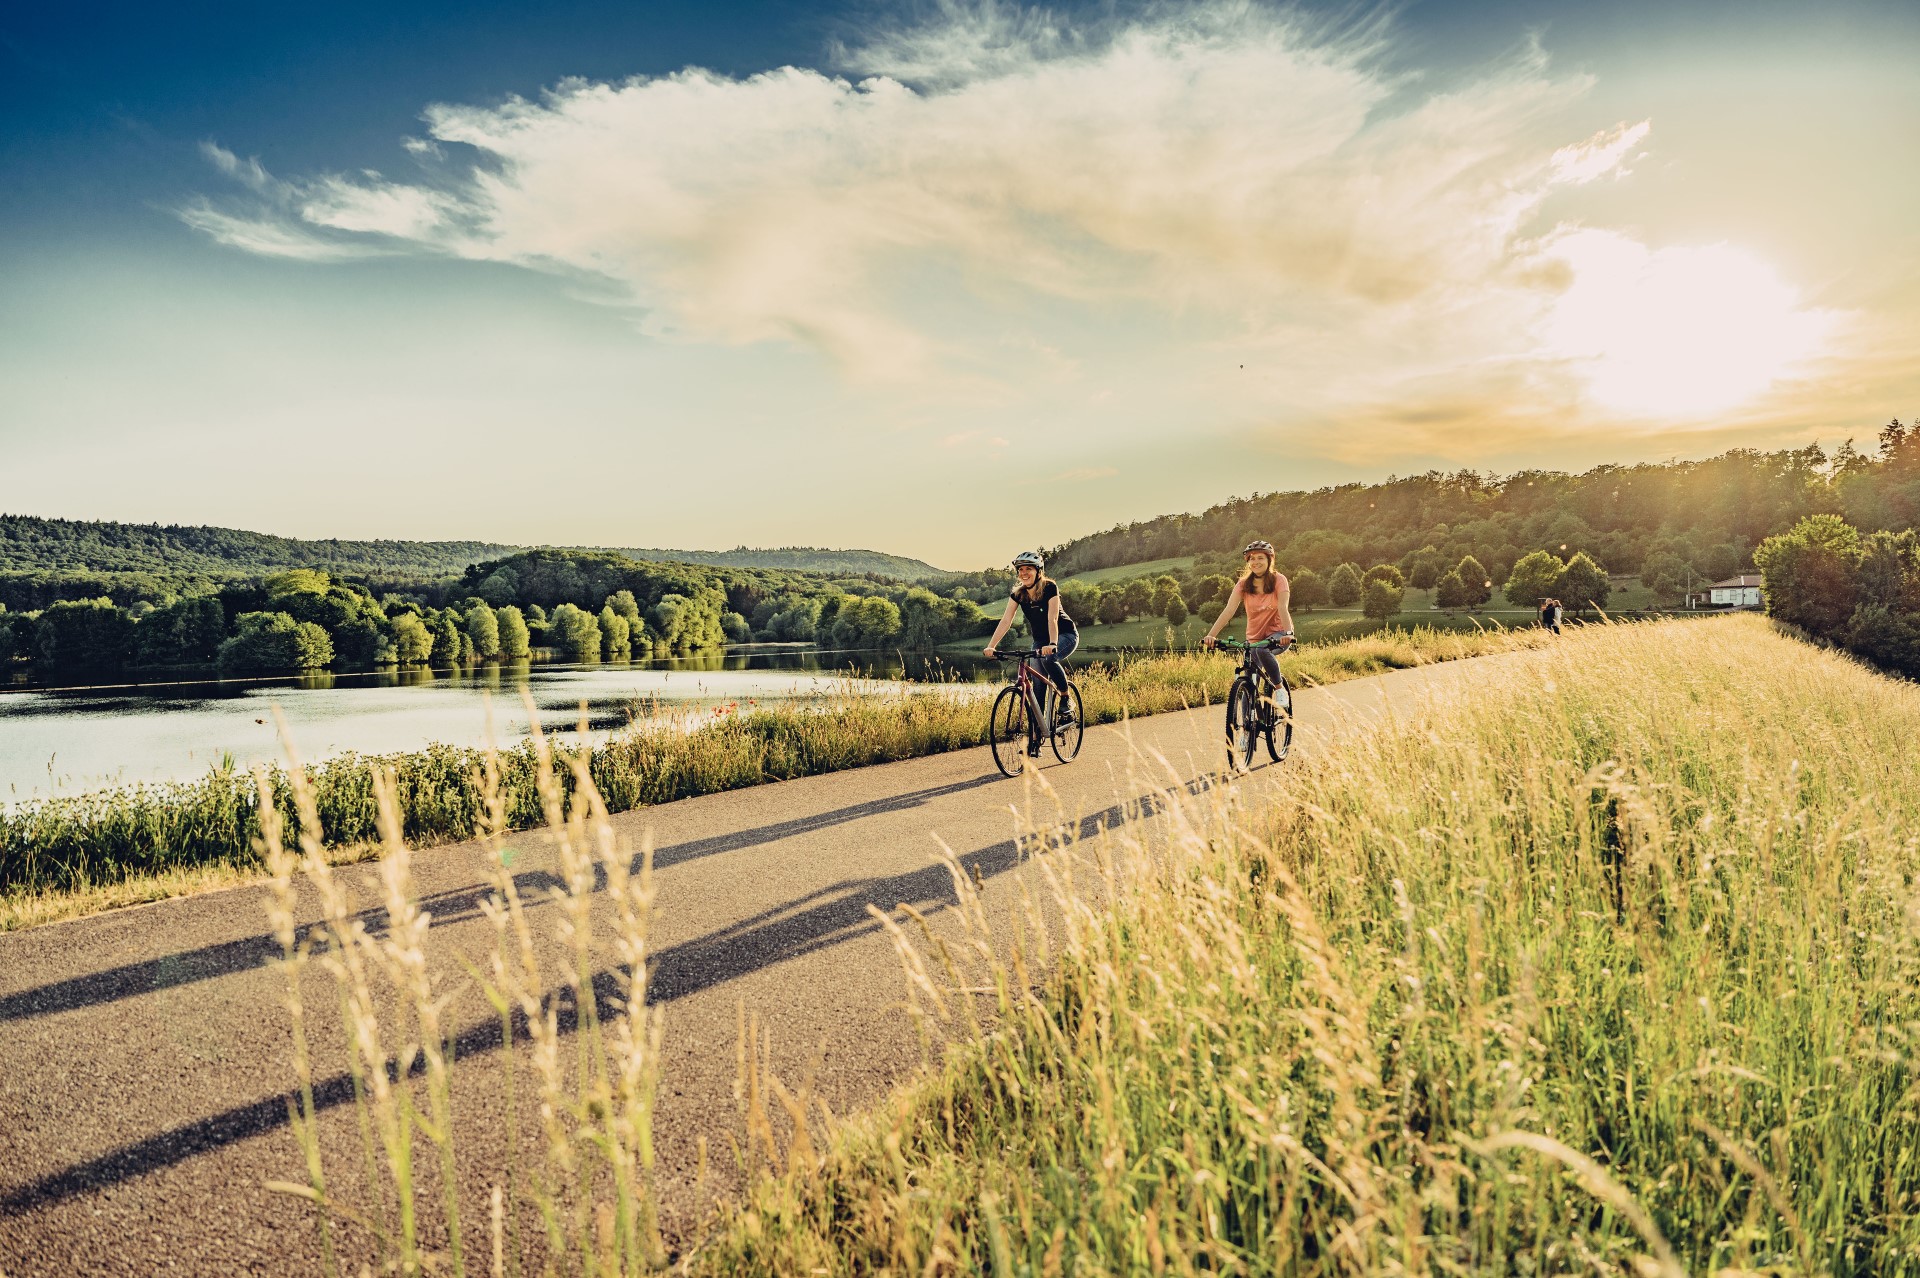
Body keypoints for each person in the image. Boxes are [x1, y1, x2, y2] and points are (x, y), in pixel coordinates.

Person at [983, 550, 1080, 756]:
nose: (1024, 573)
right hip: (1039, 641)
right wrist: (991, 646)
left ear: (1038, 571)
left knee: (1048, 659)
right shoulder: (1018, 594)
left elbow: (1052, 619)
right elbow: (1006, 620)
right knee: (1036, 687)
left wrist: (1053, 643)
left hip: (1064, 635)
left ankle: (1065, 697)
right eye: (1021, 570)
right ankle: (1035, 739)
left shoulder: (1049, 587)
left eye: (1028, 569)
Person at [1201, 541, 1295, 692]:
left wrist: (1288, 634)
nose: (1255, 562)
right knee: (1249, 681)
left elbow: (1282, 607)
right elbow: (1229, 610)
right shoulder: (1243, 584)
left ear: (1269, 560)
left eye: (1260, 558)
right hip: (1254, 638)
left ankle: (1279, 688)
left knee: (1262, 650)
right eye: (1252, 558)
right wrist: (1211, 635)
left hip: (1279, 633)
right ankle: (1247, 715)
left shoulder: (1279, 580)